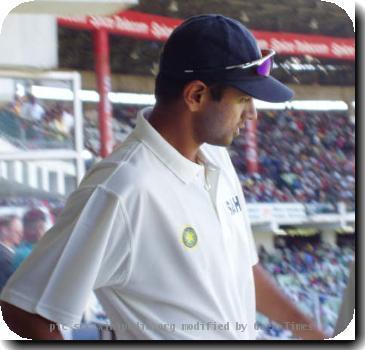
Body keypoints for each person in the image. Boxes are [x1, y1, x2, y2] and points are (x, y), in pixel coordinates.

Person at [0, 14, 328, 340]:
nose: (253, 113)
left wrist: (311, 332)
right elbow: (26, 310)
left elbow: (243, 268)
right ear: (196, 95)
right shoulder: (121, 188)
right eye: (243, 99)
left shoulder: (217, 158)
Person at [0, 215, 23, 292]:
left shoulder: (10, 253)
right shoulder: (4, 258)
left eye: (21, 232)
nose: (21, 235)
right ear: (4, 230)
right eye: (17, 232)